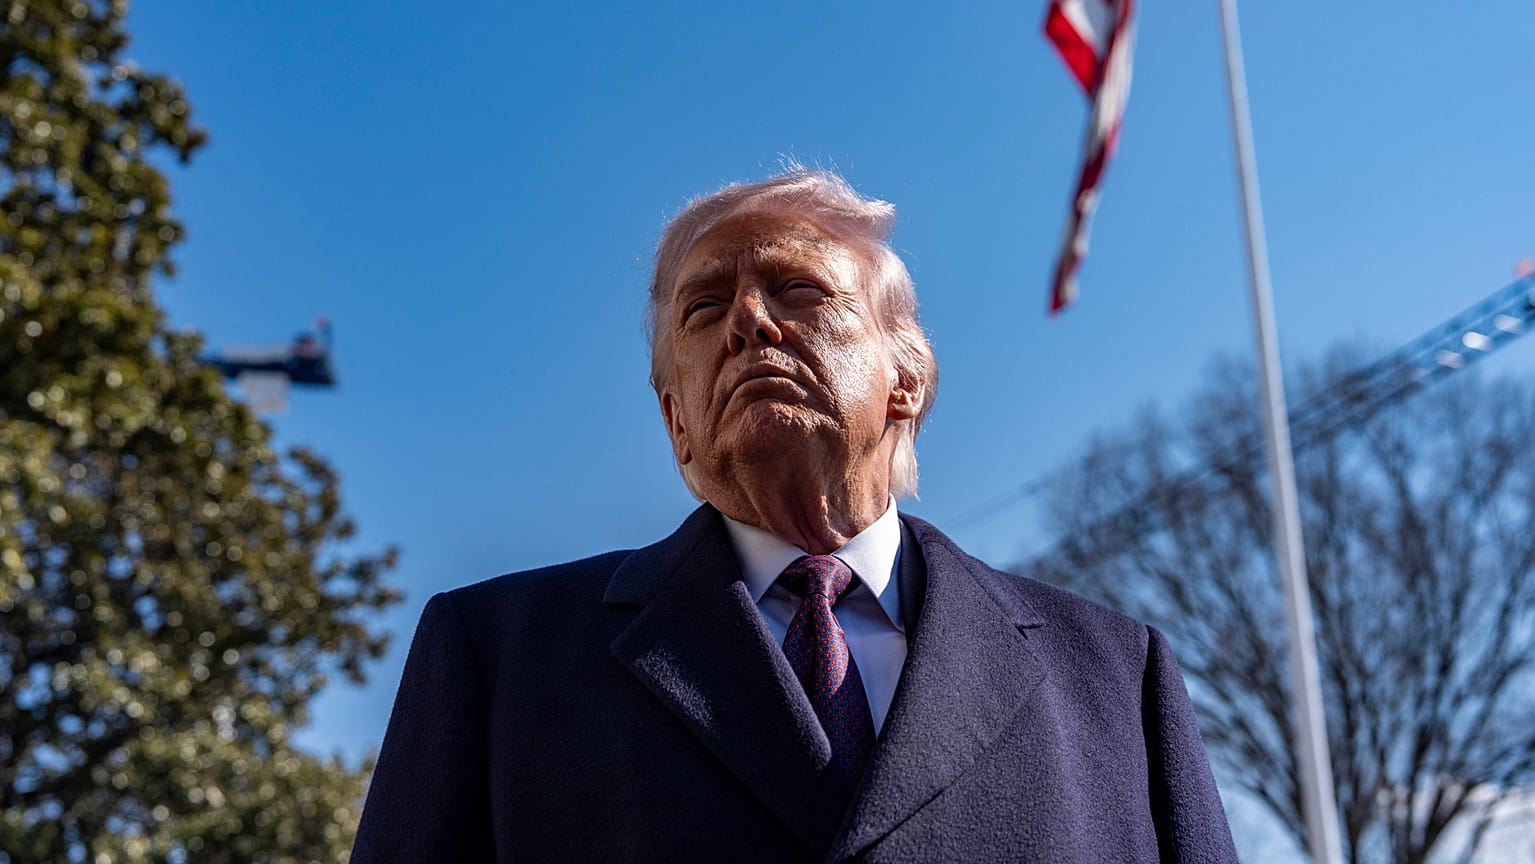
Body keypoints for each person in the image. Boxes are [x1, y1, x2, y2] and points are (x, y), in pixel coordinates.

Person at [351, 170, 1238, 863]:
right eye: (704, 307)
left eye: (799, 290)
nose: (746, 320)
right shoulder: (494, 656)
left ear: (906, 380)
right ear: (678, 425)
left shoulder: (1118, 676)